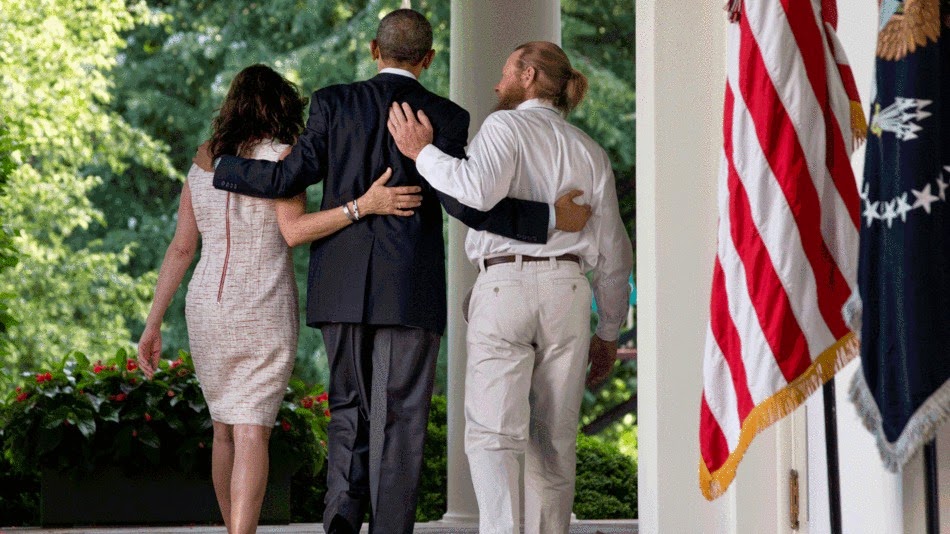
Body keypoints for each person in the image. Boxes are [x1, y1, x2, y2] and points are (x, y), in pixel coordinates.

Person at [194, 10, 592, 533]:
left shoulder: (333, 103)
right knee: (403, 415)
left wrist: (223, 166)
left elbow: (289, 176)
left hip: (340, 285)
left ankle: (341, 517)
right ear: (429, 58)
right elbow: (466, 203)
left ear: (373, 49)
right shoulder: (445, 116)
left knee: (347, 406)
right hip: (410, 287)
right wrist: (548, 218)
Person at [136, 64, 421, 534]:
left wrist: (153, 323)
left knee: (224, 429)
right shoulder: (283, 157)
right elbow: (294, 231)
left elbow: (182, 248)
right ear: (280, 105)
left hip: (206, 306)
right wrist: (362, 206)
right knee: (252, 428)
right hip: (262, 302)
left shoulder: (205, 160)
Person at [388, 41, 634, 534]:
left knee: (493, 434)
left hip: (505, 286)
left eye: (505, 73)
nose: (497, 84)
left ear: (528, 74)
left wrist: (421, 153)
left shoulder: (504, 127)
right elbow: (614, 254)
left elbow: (477, 191)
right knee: (555, 438)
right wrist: (608, 332)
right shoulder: (589, 150)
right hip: (568, 291)